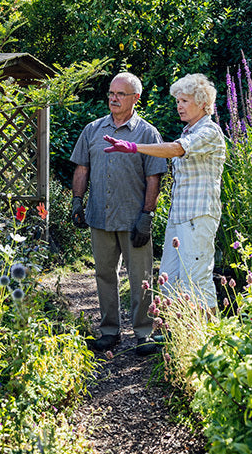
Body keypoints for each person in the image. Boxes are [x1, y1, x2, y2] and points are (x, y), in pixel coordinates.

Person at [103, 73, 226, 313]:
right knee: (169, 282)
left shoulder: (209, 132)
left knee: (198, 280)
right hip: (179, 218)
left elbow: (176, 150)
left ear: (202, 102)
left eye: (184, 101)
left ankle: (210, 340)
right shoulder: (188, 131)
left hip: (199, 217)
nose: (179, 106)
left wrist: (134, 147)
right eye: (177, 101)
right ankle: (183, 338)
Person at [71, 72, 168, 355]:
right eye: (111, 93)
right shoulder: (92, 130)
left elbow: (154, 178)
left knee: (141, 276)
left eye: (120, 94)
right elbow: (82, 168)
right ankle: (109, 332)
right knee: (103, 274)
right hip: (99, 216)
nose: (113, 98)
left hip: (133, 218)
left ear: (135, 98)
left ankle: (144, 333)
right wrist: (77, 201)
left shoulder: (147, 134)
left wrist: (147, 216)